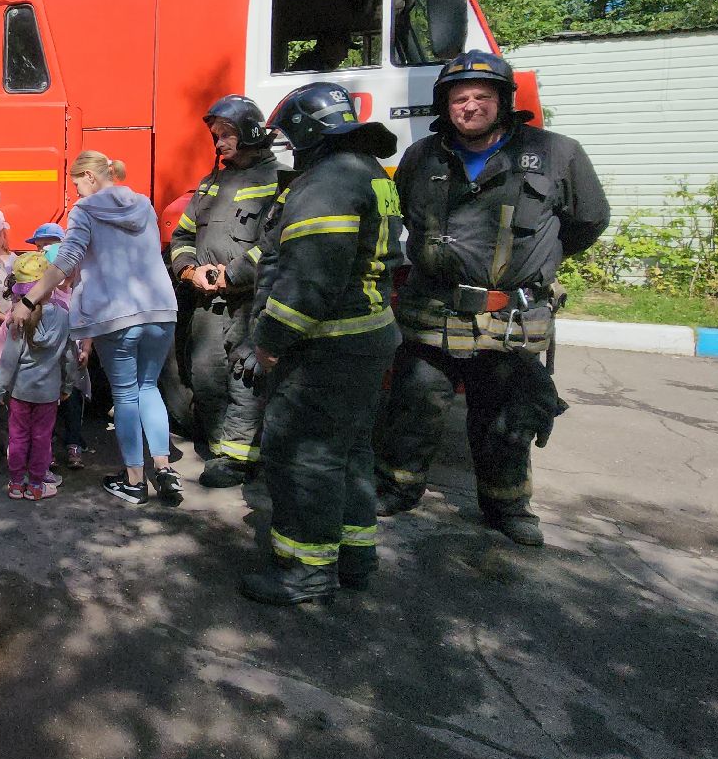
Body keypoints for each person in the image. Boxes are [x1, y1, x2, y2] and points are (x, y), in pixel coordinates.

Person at [374, 51, 610, 546]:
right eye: (459, 98)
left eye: (483, 96)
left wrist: (538, 263)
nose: (470, 106)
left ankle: (507, 506)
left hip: (508, 319)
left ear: (504, 102)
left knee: (504, 418)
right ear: (445, 106)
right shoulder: (422, 157)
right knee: (413, 407)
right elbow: (402, 221)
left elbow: (589, 220)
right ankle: (397, 488)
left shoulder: (557, 153)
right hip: (431, 311)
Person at [235, 82, 402, 606]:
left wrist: (269, 340)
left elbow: (309, 281)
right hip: (365, 340)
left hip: (325, 350)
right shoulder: (369, 173)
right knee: (348, 453)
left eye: (288, 136)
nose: (286, 147)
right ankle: (354, 557)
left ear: (309, 131)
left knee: (301, 457)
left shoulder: (325, 183)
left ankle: (304, 571)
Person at [9, 150, 181, 507]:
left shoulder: (85, 211)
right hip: (162, 309)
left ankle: (134, 480)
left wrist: (29, 301)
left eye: (75, 184)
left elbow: (66, 262)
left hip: (116, 314)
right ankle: (164, 468)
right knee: (149, 387)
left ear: (89, 175)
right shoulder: (145, 205)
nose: (74, 193)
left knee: (126, 394)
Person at [167, 95, 281, 489]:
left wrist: (231, 275)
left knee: (244, 378)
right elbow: (182, 233)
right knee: (206, 376)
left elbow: (275, 244)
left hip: (250, 303)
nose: (219, 144)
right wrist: (188, 269)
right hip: (206, 302)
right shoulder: (210, 183)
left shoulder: (277, 182)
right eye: (216, 136)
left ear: (251, 132)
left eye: (227, 135)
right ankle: (223, 449)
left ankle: (239, 460)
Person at [0, 251, 70, 500]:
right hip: (48, 394)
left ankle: (16, 483)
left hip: (20, 392)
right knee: (41, 438)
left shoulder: (18, 317)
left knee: (18, 436)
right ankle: (37, 485)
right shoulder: (64, 317)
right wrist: (68, 384)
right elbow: (69, 357)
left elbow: (8, 361)